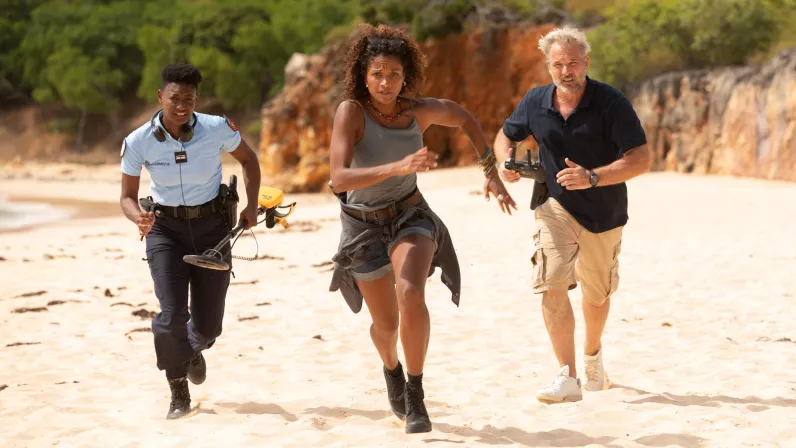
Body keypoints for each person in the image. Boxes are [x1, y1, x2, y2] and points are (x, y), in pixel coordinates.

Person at [327, 24, 516, 433]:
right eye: (377, 74)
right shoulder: (351, 112)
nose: (385, 82)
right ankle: (392, 369)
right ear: (363, 75)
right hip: (361, 226)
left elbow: (465, 119)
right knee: (386, 325)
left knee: (411, 293)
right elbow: (339, 177)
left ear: (406, 76)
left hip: (410, 215)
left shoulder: (419, 111)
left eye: (394, 74)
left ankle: (415, 393)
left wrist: (491, 173)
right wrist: (399, 166)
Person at [493, 27, 652, 403]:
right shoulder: (535, 101)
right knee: (551, 283)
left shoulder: (611, 102)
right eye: (558, 64)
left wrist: (592, 177)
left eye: (573, 63)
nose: (566, 71)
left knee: (596, 296)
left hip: (604, 212)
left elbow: (641, 159)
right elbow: (505, 136)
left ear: (586, 63)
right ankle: (567, 375)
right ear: (548, 66)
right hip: (554, 205)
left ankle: (593, 355)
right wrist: (504, 162)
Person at [119, 62, 261, 419]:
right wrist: (138, 217)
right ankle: (178, 391)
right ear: (160, 96)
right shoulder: (138, 141)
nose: (181, 106)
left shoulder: (217, 128)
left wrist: (252, 204)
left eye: (189, 99)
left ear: (197, 98)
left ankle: (192, 348)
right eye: (175, 99)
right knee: (170, 316)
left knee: (209, 326)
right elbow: (126, 196)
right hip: (165, 232)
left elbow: (249, 159)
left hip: (213, 229)